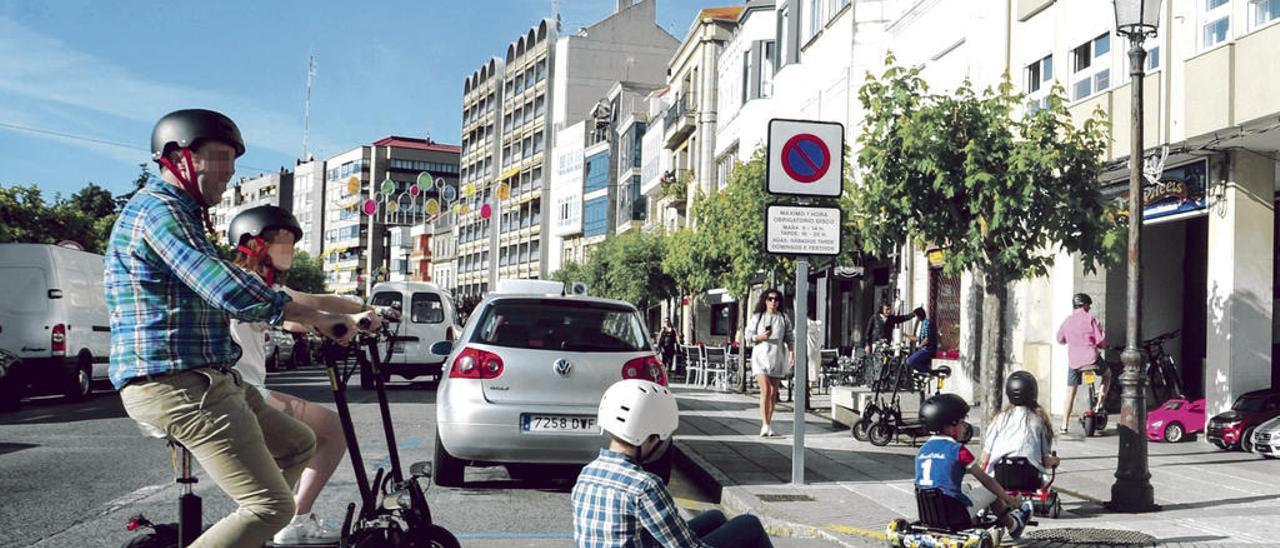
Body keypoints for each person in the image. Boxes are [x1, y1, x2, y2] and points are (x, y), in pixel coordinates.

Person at [106, 109, 359, 547]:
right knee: (271, 507)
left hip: (212, 378)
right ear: (178, 157)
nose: (230, 172)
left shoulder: (184, 214)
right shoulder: (159, 212)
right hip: (176, 383)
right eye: (220, 157)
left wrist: (325, 314)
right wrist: (315, 318)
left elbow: (240, 283)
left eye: (234, 160)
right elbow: (222, 285)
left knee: (301, 444)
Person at [225, 206, 390, 545]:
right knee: (332, 430)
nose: (289, 252)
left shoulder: (260, 287)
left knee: (304, 442)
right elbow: (309, 308)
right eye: (281, 243)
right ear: (254, 245)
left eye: (292, 245)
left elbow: (306, 308)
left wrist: (359, 312)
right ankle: (291, 519)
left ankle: (282, 517)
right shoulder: (249, 285)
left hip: (247, 389)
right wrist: (353, 316)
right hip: (240, 390)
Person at [571, 379, 773, 548]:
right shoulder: (644, 486)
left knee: (715, 517)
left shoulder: (587, 474)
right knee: (749, 524)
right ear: (649, 438)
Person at [915, 393, 1031, 539]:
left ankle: (973, 521)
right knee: (991, 491)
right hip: (954, 512)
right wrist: (1009, 499)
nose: (965, 426)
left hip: (929, 512)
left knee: (965, 487)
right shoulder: (958, 450)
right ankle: (1013, 525)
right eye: (962, 422)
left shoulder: (923, 450)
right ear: (950, 426)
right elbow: (987, 480)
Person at [980, 372, 1060, 480]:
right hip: (1030, 479)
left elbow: (985, 457)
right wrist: (1056, 460)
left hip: (1001, 478)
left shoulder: (999, 419)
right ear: (1034, 393)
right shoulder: (1039, 421)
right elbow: (1046, 461)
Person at [1055, 293, 1107, 435]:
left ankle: (1064, 426)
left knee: (1070, 392)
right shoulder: (1091, 319)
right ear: (1084, 305)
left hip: (1074, 362)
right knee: (1107, 374)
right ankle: (1099, 402)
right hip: (1092, 359)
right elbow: (1100, 341)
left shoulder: (1068, 321)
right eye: (1088, 305)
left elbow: (1060, 339)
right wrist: (1103, 345)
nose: (1089, 308)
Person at [747, 288, 794, 437]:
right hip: (761, 356)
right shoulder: (758, 317)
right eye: (770, 299)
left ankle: (769, 423)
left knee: (774, 392)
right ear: (765, 301)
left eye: (776, 299)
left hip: (777, 356)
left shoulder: (784, 318)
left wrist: (792, 353)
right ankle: (764, 424)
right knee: (766, 390)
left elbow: (789, 337)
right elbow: (748, 336)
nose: (773, 302)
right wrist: (759, 337)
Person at [905, 307, 937, 374]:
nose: (916, 318)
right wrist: (906, 335)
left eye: (916, 316)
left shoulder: (928, 323)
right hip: (924, 348)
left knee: (910, 361)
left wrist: (919, 346)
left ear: (919, 316)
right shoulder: (923, 323)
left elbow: (927, 339)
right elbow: (918, 338)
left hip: (928, 349)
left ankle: (928, 372)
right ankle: (924, 372)